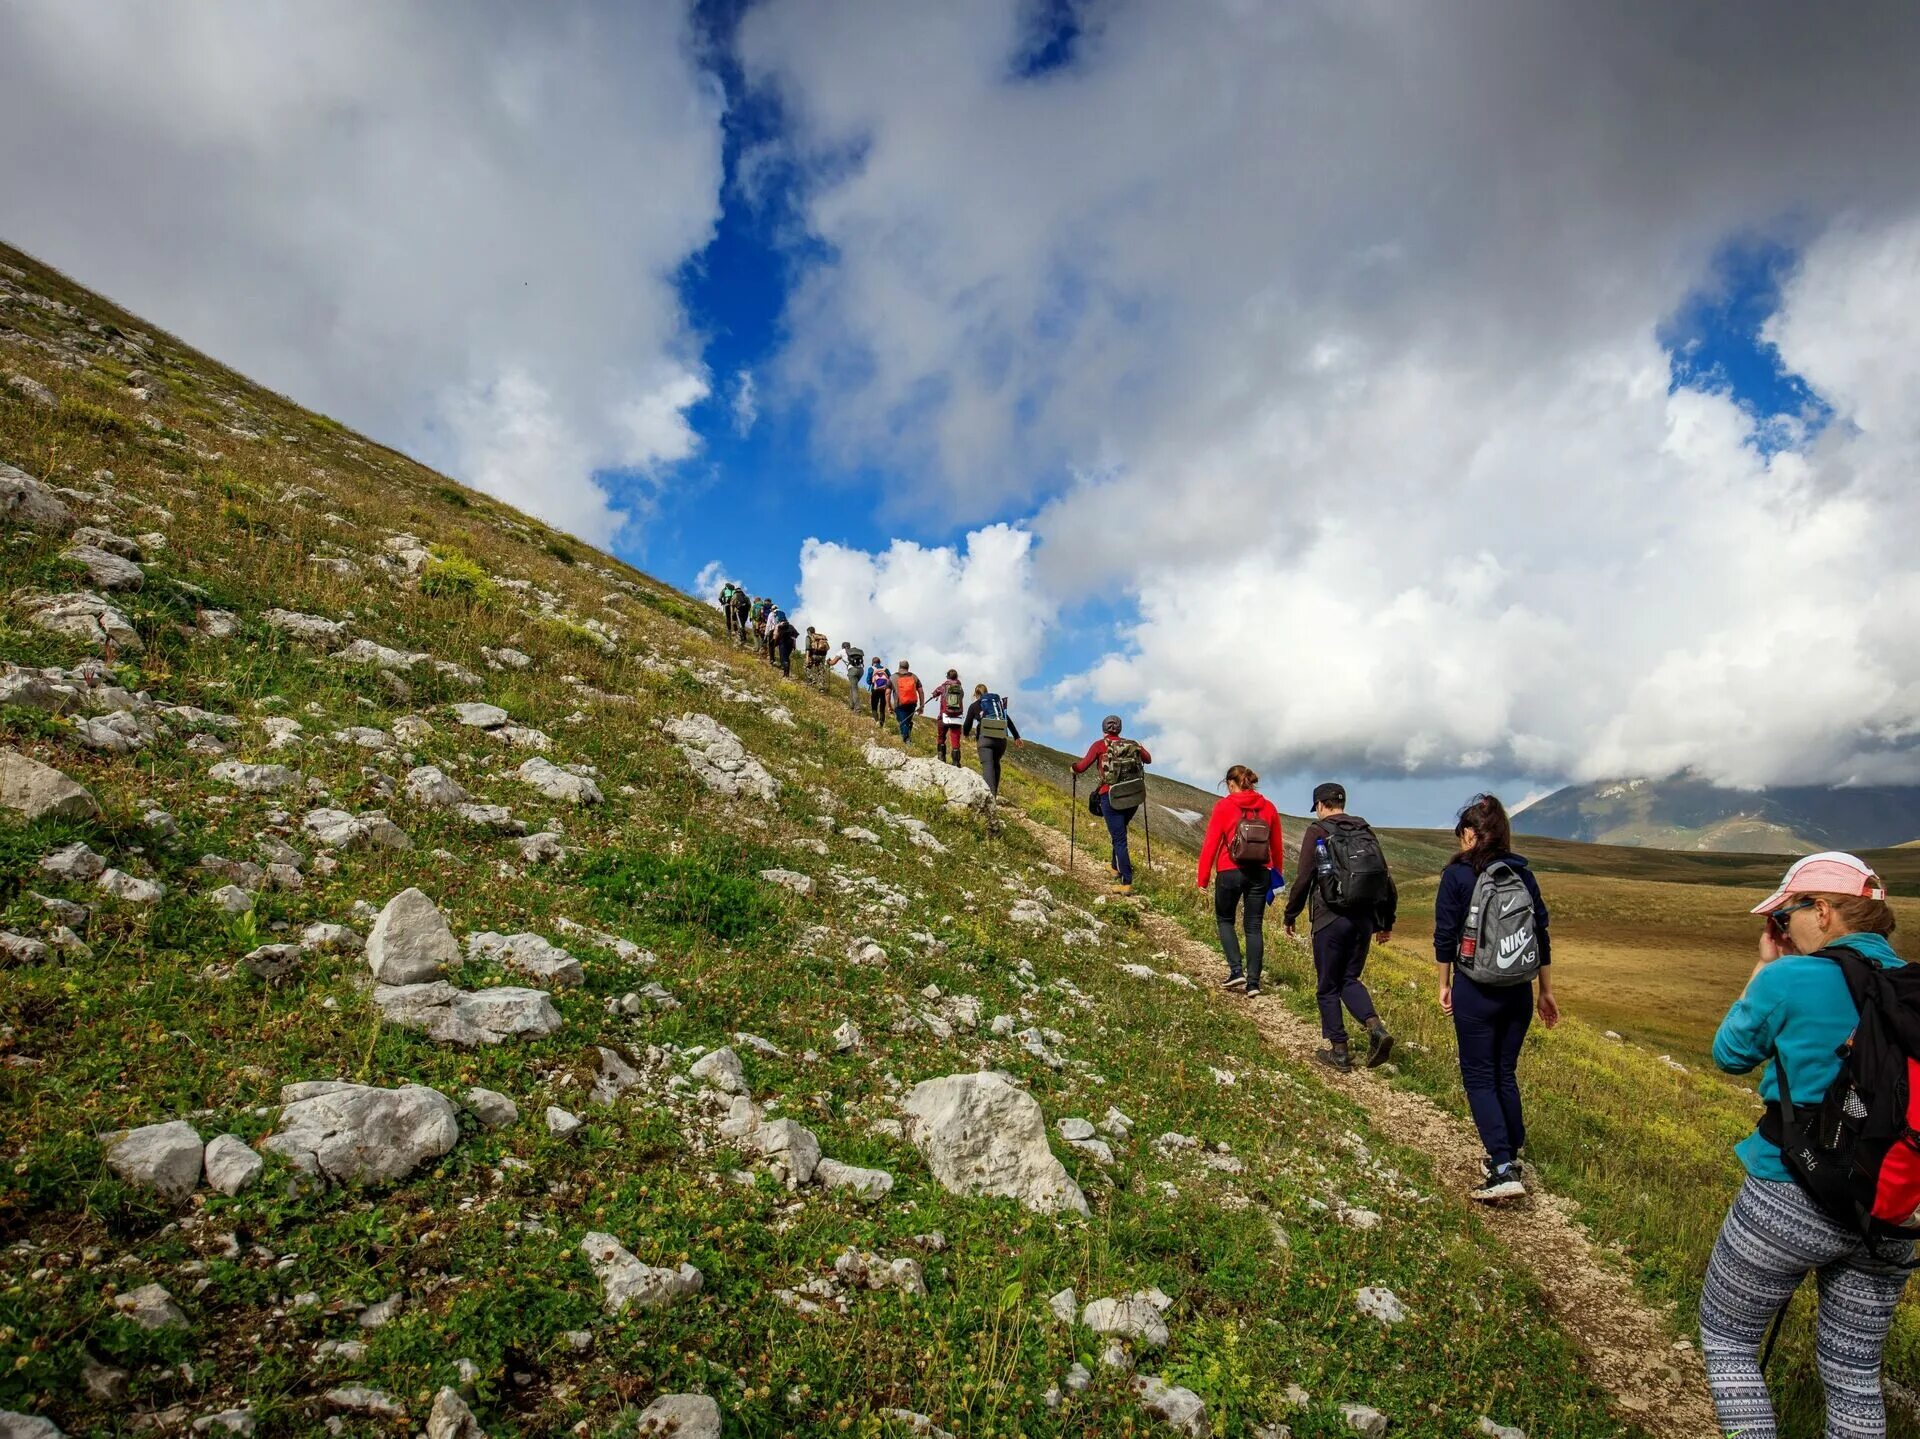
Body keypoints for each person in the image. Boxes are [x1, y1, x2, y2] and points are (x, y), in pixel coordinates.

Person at [1699, 852, 1913, 1437]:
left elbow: (1729, 1054)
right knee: (1854, 1375)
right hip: (1889, 1209)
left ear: (1822, 911)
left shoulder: (1791, 977)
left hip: (1789, 1196)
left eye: (1784, 916)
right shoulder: (1911, 989)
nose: (1780, 930)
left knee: (1729, 1339)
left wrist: (1765, 966)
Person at [1432, 794, 1558, 1202]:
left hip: (1476, 989)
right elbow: (1540, 934)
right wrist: (1546, 992)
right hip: (1519, 990)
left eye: (1461, 835)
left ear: (1470, 834)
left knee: (1479, 1076)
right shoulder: (1522, 873)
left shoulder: (1457, 877)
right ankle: (1511, 1151)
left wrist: (1444, 983)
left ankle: (1502, 1167)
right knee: (1504, 1072)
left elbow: (1445, 936)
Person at [1283, 782, 1397, 1072]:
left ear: (1321, 805)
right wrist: (1385, 922)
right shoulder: (1364, 830)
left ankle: (1340, 1051)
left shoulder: (1318, 831)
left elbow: (1305, 876)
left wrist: (1290, 914)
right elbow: (1385, 879)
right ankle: (1375, 1027)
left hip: (1330, 917)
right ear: (1341, 803)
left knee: (1327, 986)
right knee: (1349, 979)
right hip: (1363, 919)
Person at [1197, 765, 1283, 996]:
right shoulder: (1269, 807)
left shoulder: (1224, 806)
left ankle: (1236, 971)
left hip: (1229, 870)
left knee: (1225, 920)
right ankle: (1254, 983)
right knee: (1253, 926)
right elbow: (1276, 847)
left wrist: (1202, 879)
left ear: (1230, 784)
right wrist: (1277, 877)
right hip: (1261, 872)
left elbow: (1211, 844)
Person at [1071, 716, 1151, 895]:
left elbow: (1082, 766)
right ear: (1120, 729)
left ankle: (1126, 882)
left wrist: (1073, 768)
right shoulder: (1133, 744)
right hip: (1132, 796)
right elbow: (1148, 759)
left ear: (1104, 729)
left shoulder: (1099, 745)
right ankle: (1115, 867)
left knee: (1119, 838)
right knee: (1120, 832)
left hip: (1110, 796)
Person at [963, 684, 1022, 796]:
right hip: (1001, 740)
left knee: (988, 766)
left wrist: (965, 734)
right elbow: (1007, 720)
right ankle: (994, 793)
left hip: (985, 740)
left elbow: (967, 725)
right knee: (996, 764)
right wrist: (1017, 737)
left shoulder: (974, 706)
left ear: (976, 694)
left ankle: (991, 796)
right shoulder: (997, 706)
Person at [925, 668, 967, 766]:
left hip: (944, 716)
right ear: (957, 677)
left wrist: (934, 695)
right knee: (955, 739)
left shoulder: (943, 687)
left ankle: (941, 757)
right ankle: (956, 762)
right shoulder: (960, 689)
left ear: (947, 676)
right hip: (957, 718)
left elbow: (935, 693)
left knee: (941, 737)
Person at [830, 640, 866, 712]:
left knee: (854, 688)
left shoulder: (842, 651)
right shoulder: (854, 651)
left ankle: (857, 708)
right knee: (852, 687)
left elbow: (833, 662)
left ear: (843, 646)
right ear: (849, 646)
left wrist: (828, 662)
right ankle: (851, 705)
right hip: (861, 670)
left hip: (852, 670)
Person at [890, 662, 921, 743]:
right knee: (906, 721)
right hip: (912, 704)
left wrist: (889, 706)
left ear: (899, 667)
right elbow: (921, 691)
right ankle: (906, 736)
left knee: (902, 722)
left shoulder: (893, 677)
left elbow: (887, 693)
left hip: (899, 704)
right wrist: (922, 705)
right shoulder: (914, 676)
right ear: (908, 667)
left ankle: (906, 740)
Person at [865, 656, 893, 728]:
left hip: (875, 689)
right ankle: (881, 723)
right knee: (882, 707)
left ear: (873, 662)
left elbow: (868, 680)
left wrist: (873, 683)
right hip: (884, 690)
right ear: (879, 662)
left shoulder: (871, 669)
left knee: (874, 707)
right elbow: (890, 679)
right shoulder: (885, 669)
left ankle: (877, 721)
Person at [772, 611, 799, 676]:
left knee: (783, 658)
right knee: (787, 657)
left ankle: (785, 672)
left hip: (783, 643)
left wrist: (774, 644)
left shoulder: (779, 626)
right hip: (791, 643)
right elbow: (796, 634)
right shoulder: (791, 626)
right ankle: (787, 674)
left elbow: (776, 636)